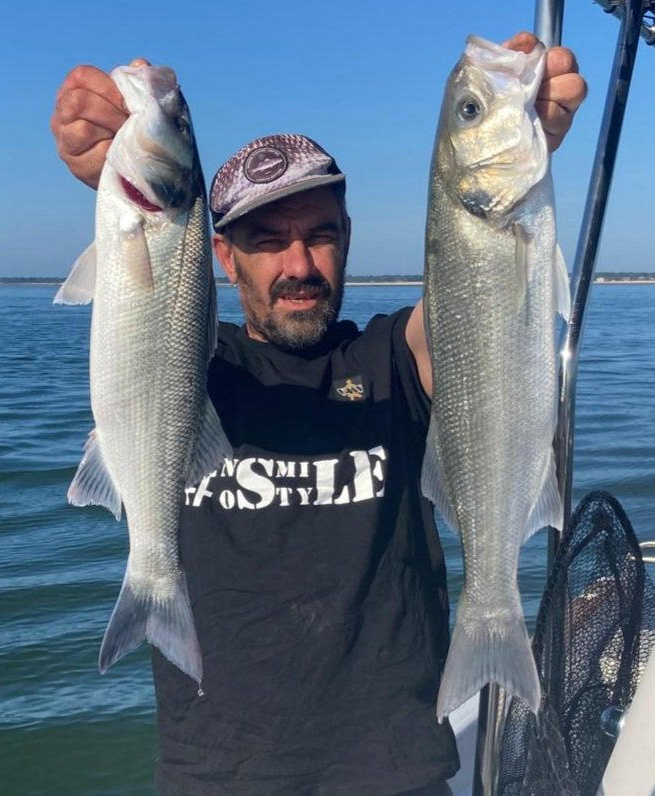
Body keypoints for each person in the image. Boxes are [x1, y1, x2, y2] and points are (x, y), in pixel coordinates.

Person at [50, 32, 587, 796]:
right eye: (267, 241)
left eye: (320, 235)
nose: (299, 266)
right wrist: (118, 178)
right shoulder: (193, 366)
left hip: (398, 772)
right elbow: (147, 319)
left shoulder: (390, 361)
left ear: (348, 241)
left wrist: (520, 147)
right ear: (223, 256)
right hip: (216, 776)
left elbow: (477, 310)